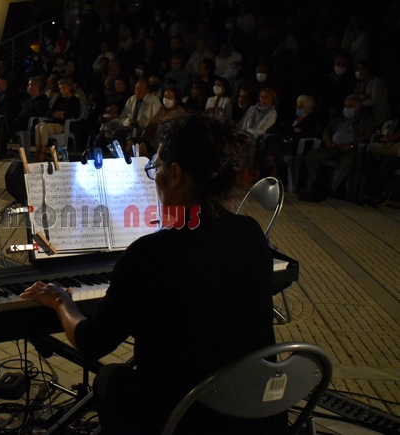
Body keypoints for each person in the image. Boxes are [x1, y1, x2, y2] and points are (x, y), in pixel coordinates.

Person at [20, 115, 285, 435]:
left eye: (155, 168)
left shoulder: (150, 253)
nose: (154, 177)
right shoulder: (250, 232)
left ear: (175, 173)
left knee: (110, 378)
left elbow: (92, 343)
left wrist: (62, 301)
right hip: (256, 413)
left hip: (186, 420)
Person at [301, 95, 375, 201]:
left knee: (346, 161)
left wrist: (351, 144)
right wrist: (328, 141)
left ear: (358, 108)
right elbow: (327, 131)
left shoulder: (365, 120)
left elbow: (366, 136)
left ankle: (329, 189)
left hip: (349, 149)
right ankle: (319, 184)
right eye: (345, 106)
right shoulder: (338, 117)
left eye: (350, 106)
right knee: (310, 156)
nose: (347, 109)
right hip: (333, 146)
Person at [126, 85, 186, 158]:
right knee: (131, 142)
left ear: (175, 100)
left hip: (164, 141)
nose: (166, 99)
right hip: (151, 137)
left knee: (142, 147)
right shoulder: (162, 109)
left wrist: (159, 123)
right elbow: (152, 121)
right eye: (165, 96)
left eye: (169, 97)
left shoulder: (180, 111)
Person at [34, 78, 80, 162]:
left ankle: (42, 153)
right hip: (54, 122)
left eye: (64, 87)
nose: (62, 90)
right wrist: (58, 114)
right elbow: (50, 112)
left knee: (43, 128)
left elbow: (70, 114)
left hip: (63, 125)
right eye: (60, 88)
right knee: (38, 127)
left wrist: (60, 114)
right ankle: (38, 150)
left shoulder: (74, 100)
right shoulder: (59, 100)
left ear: (69, 87)